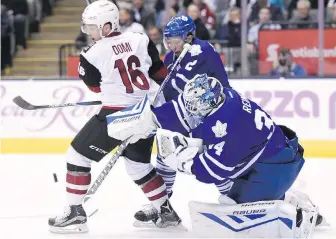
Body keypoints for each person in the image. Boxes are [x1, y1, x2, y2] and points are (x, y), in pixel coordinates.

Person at [106, 73, 322, 237]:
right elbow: (183, 110)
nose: (191, 111)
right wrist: (150, 119)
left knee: (236, 213)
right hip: (273, 155)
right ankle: (289, 198)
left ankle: (299, 214)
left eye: (195, 108)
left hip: (276, 166)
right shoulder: (224, 96)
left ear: (208, 104)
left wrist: (183, 163)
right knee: (230, 200)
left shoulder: (228, 125)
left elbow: (214, 172)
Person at [48, 0, 181, 233]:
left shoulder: (90, 54)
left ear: (107, 26)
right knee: (138, 165)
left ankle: (75, 214)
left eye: (92, 27)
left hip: (115, 116)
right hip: (145, 113)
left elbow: (95, 87)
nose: (88, 32)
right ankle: (165, 211)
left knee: (77, 155)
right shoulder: (141, 38)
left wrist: (116, 89)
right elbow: (159, 73)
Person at [134, 15, 230, 225]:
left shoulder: (201, 50)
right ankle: (162, 205)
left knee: (214, 159)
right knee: (165, 155)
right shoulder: (171, 57)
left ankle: (234, 199)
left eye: (175, 41)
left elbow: (178, 85)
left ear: (189, 36)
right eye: (168, 41)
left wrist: (153, 90)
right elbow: (167, 92)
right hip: (186, 115)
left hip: (213, 114)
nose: (170, 45)